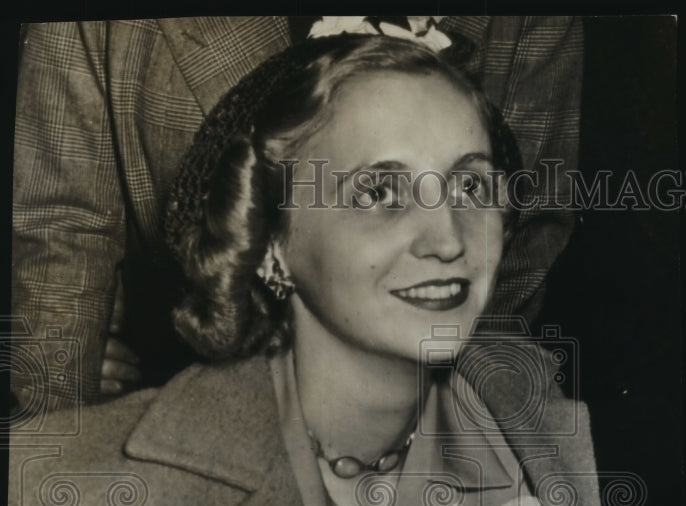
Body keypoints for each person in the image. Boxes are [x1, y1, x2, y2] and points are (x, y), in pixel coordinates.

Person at [9, 31, 625, 506]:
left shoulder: (539, 446)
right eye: (380, 191)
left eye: (472, 186)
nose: (448, 239)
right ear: (272, 243)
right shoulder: (79, 496)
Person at [10, 15, 583, 410]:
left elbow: (527, 225)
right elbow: (61, 229)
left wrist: (456, 422)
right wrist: (62, 416)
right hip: (181, 387)